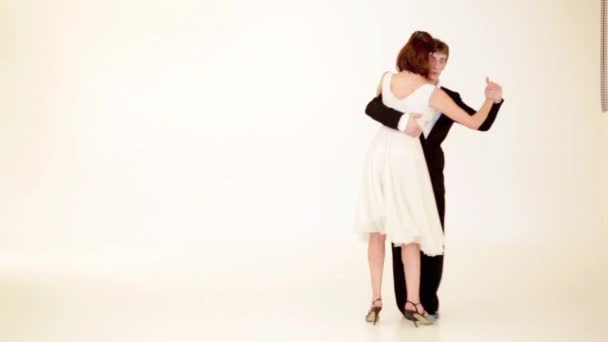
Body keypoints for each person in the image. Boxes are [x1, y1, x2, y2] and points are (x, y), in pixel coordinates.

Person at [354, 31, 499, 327]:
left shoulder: (431, 92)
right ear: (422, 58)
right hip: (402, 164)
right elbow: (373, 107)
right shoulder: (415, 88)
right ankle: (410, 302)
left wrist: (493, 100)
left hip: (411, 166)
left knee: (410, 232)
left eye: (442, 60)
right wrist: (403, 121)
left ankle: (406, 300)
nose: (436, 64)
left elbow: (477, 123)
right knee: (406, 233)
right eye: (432, 58)